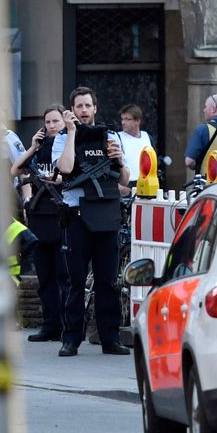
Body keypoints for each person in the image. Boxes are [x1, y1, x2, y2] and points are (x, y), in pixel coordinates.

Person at [51, 87, 131, 357]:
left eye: (87, 105)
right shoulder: (63, 138)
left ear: (95, 108)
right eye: (79, 106)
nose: (84, 110)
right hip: (76, 216)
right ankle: (71, 338)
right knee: (75, 280)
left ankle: (110, 337)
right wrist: (72, 133)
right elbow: (64, 168)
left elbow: (123, 179)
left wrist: (119, 160)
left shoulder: (110, 136)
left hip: (106, 214)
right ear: (72, 111)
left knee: (108, 281)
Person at [11, 104, 69, 342]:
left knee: (63, 275)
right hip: (39, 215)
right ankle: (49, 325)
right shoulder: (40, 147)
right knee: (44, 276)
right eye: (48, 122)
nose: (52, 126)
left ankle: (67, 325)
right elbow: (16, 170)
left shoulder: (67, 146)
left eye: (56, 121)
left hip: (61, 217)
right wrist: (34, 146)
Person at [118, 103, 152, 189]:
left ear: (137, 121)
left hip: (147, 184)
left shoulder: (147, 137)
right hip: (127, 185)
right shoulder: (117, 138)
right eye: (122, 119)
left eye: (127, 119)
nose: (123, 122)